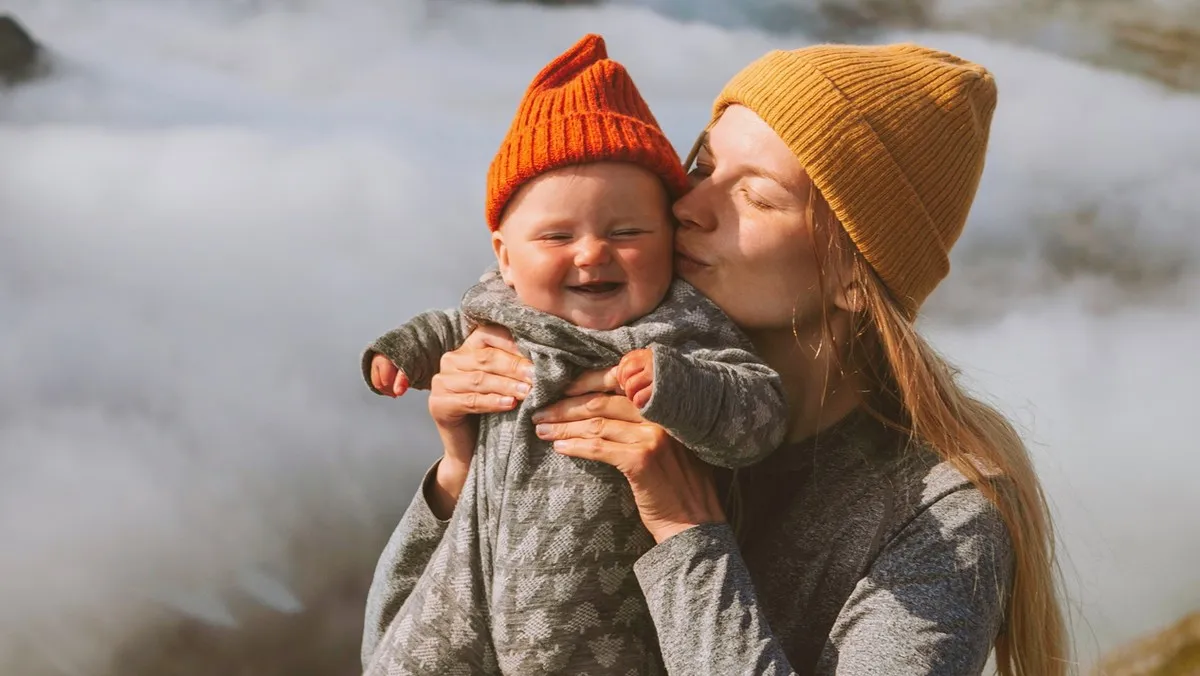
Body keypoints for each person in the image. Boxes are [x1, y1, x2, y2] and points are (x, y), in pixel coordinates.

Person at [365, 40, 1068, 676]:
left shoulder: (942, 522)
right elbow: (394, 652)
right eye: (701, 165)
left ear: (857, 276)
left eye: (755, 197)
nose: (690, 206)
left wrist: (687, 536)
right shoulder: (599, 362)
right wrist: (460, 476)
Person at [359, 34, 787, 675]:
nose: (592, 254)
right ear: (505, 255)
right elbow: (444, 329)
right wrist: (399, 355)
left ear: (671, 237)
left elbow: (758, 412)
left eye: (627, 233)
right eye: (557, 236)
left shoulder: (683, 329)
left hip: (595, 623)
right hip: (461, 592)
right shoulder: (498, 313)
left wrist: (679, 388)